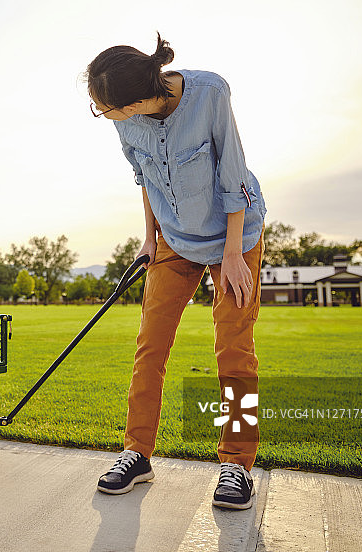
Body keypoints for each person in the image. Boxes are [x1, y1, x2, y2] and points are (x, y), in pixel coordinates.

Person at [86, 34, 266, 510]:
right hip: (173, 240)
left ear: (140, 98)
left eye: (108, 109)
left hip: (235, 236)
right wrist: (149, 239)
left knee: (234, 348)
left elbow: (233, 175)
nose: (105, 116)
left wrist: (231, 253)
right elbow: (145, 178)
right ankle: (136, 453)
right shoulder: (126, 121)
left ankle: (238, 465)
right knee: (151, 347)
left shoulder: (211, 94)